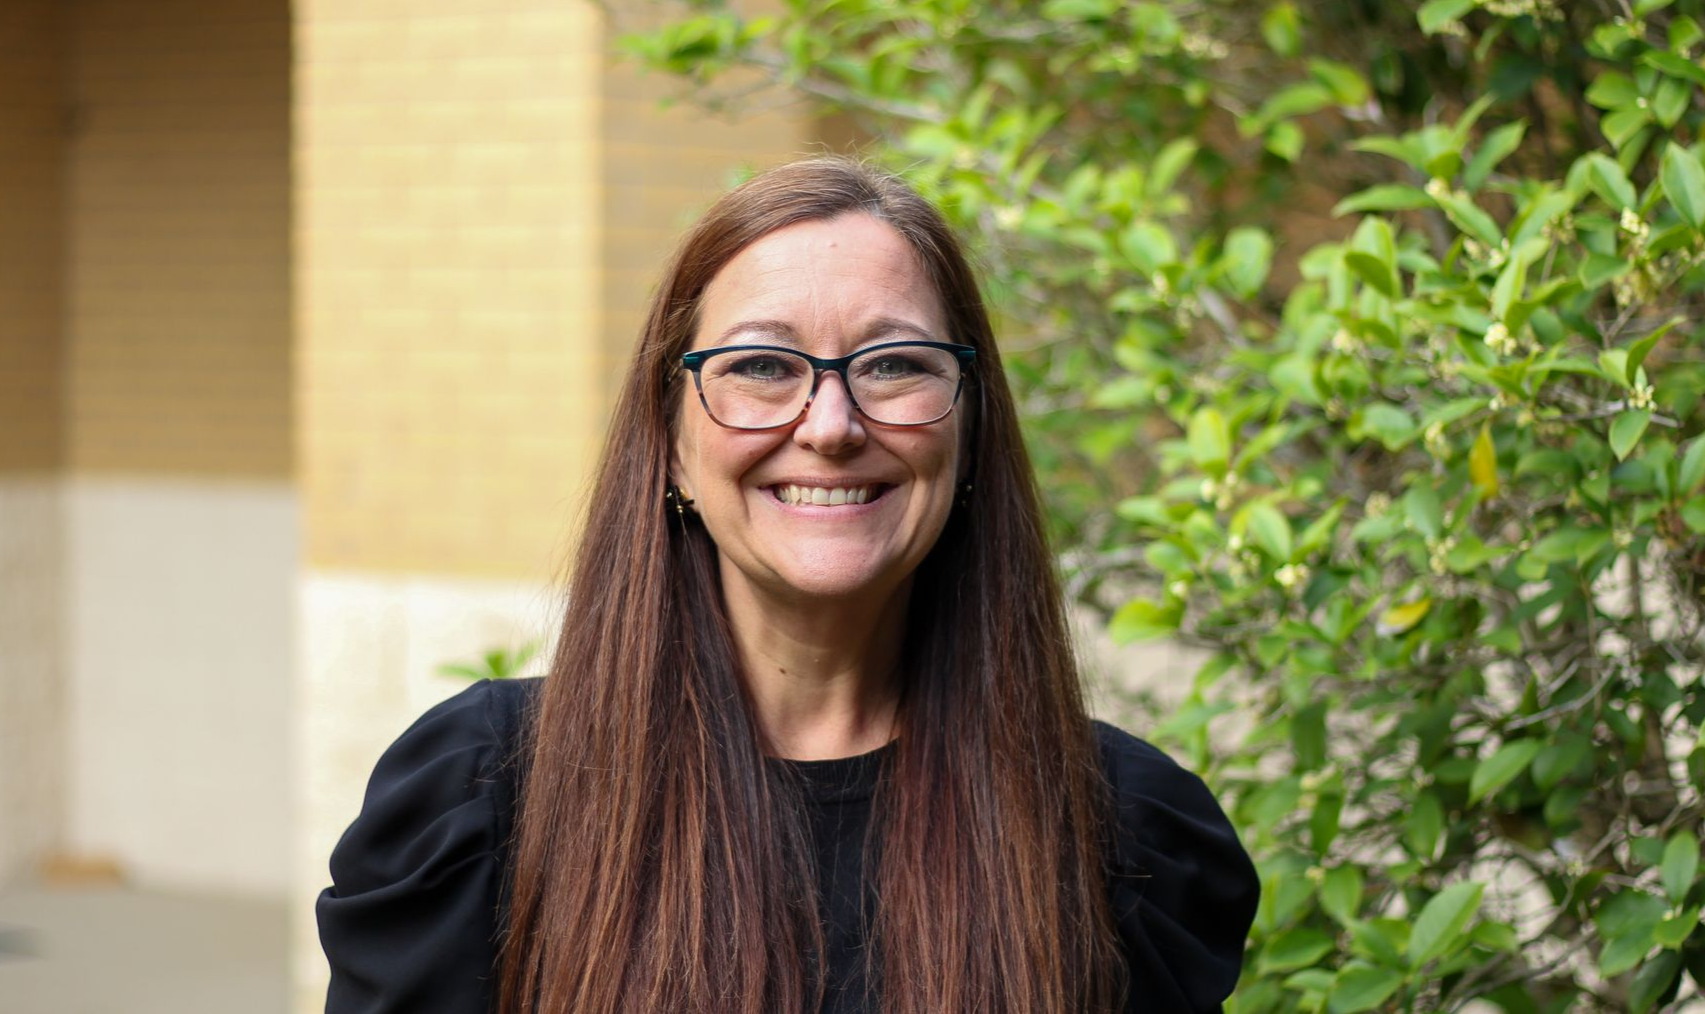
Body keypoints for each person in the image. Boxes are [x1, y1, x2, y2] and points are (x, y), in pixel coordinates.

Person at [317, 157, 1258, 1013]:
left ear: (968, 431)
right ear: (673, 444)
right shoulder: (483, 801)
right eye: (761, 366)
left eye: (895, 365)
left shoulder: (1126, 831)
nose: (831, 424)